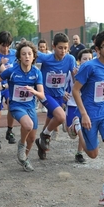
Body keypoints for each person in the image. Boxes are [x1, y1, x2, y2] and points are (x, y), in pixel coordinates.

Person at [70, 30, 104, 207]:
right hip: (89, 115)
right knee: (93, 154)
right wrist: (84, 113)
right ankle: (77, 127)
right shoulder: (89, 67)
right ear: (97, 49)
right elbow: (75, 90)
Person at [0, 41, 44, 171]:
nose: (27, 56)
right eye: (23, 54)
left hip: (30, 106)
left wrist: (35, 92)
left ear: (33, 57)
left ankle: (24, 159)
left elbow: (42, 95)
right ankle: (21, 145)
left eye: (29, 54)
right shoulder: (12, 71)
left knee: (32, 138)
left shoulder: (37, 73)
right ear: (19, 57)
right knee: (28, 125)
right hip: (16, 106)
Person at [34, 32, 76, 160]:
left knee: (51, 119)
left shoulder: (70, 59)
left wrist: (72, 90)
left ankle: (42, 145)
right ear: (53, 46)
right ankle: (45, 135)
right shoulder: (46, 58)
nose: (63, 51)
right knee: (60, 116)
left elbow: (74, 78)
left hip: (59, 95)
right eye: (60, 48)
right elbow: (30, 53)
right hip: (45, 94)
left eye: (65, 48)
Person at [65, 48, 93, 163]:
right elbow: (64, 82)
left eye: (90, 59)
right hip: (72, 103)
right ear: (79, 61)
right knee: (72, 134)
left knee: (83, 128)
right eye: (84, 59)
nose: (87, 61)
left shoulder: (94, 71)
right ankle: (70, 125)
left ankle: (79, 153)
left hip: (86, 105)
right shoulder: (73, 71)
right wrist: (63, 92)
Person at [0, 31, 18, 146]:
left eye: (8, 45)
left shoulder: (15, 54)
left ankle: (9, 131)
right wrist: (0, 63)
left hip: (9, 86)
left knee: (11, 105)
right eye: (3, 45)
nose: (5, 48)